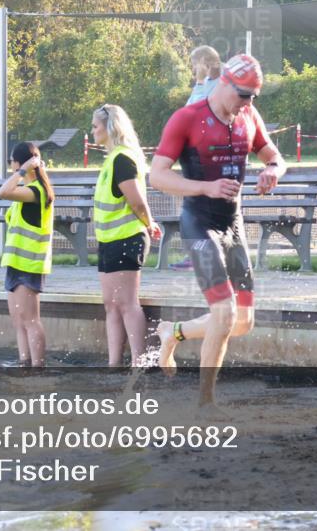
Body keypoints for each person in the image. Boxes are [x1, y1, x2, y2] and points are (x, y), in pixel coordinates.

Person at [150, 53, 286, 407]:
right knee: (224, 313)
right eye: (243, 95)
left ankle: (172, 332)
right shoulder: (187, 118)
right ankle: (205, 404)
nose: (248, 103)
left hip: (233, 224)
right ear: (224, 82)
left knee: (243, 322)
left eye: (253, 97)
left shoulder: (249, 115)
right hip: (200, 223)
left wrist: (272, 170)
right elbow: (157, 176)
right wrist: (205, 187)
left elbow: (275, 156)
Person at [91, 104, 163, 366]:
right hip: (108, 240)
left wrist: (149, 223)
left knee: (127, 303)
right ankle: (114, 364)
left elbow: (137, 201)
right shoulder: (111, 159)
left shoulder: (123, 158)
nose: (92, 131)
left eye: (95, 126)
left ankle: (138, 362)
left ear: (110, 128)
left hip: (126, 238)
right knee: (110, 304)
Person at [0, 142, 55, 365]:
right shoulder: (26, 192)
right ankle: (24, 364)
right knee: (19, 322)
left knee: (30, 320)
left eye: (11, 161)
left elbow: (3, 192)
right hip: (15, 264)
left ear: (19, 163)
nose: (10, 165)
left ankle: (38, 367)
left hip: (29, 265)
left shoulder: (36, 191)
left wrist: (22, 171)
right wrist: (24, 171)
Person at [171, 46, 224, 271]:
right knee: (193, 207)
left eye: (195, 64)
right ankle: (195, 255)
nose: (193, 69)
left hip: (211, 157)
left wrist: (201, 82)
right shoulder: (201, 85)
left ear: (205, 62)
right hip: (194, 156)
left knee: (203, 208)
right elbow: (187, 112)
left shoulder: (220, 84)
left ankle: (206, 256)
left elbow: (202, 111)